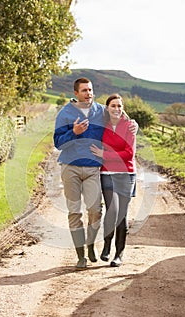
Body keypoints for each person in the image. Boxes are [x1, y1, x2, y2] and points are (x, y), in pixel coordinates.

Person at [54, 78, 137, 269]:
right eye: (84, 90)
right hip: (70, 167)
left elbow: (119, 114)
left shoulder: (100, 111)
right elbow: (58, 142)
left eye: (90, 90)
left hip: (93, 169)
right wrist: (73, 132)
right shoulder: (65, 113)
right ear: (76, 93)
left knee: (95, 211)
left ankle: (90, 244)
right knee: (75, 212)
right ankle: (81, 256)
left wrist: (134, 124)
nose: (88, 93)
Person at [90, 94, 137, 267]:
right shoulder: (103, 126)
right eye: (113, 106)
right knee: (112, 210)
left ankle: (119, 254)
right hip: (107, 174)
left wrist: (105, 155)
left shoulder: (129, 126)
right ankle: (107, 244)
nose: (117, 109)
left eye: (119, 106)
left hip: (126, 175)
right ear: (107, 108)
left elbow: (128, 153)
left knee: (122, 215)